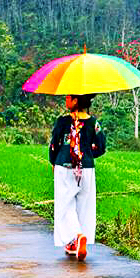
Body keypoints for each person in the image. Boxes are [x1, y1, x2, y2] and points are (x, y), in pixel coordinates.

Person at [48, 94, 106, 261]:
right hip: (86, 167)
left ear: (75, 101)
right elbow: (101, 147)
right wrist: (86, 155)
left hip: (64, 166)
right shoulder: (94, 123)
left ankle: (77, 236)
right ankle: (77, 242)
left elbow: (54, 145)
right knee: (84, 206)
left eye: (68, 98)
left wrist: (53, 161)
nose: (66, 101)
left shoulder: (62, 121)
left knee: (65, 206)